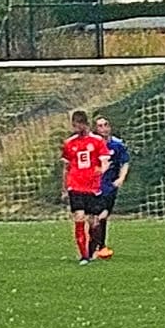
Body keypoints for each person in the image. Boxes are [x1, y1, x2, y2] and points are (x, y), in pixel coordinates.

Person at [61, 110, 110, 264]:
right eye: (73, 125)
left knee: (94, 221)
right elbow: (66, 167)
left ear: (84, 124)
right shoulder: (70, 143)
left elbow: (105, 162)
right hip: (75, 185)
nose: (75, 128)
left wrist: (101, 170)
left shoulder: (97, 141)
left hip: (92, 187)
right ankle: (83, 256)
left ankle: (91, 249)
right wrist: (64, 187)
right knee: (79, 217)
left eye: (77, 125)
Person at [90, 115, 130, 259]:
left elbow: (125, 162)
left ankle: (97, 245)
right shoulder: (92, 145)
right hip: (93, 185)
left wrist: (121, 178)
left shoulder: (117, 144)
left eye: (106, 124)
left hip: (109, 186)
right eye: (100, 126)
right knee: (96, 216)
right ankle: (98, 246)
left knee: (103, 216)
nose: (104, 128)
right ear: (95, 129)